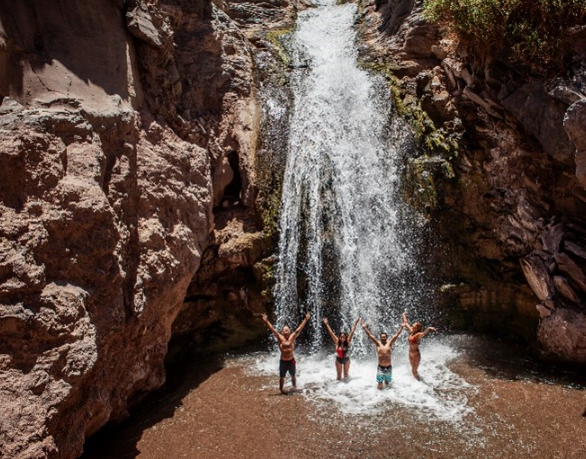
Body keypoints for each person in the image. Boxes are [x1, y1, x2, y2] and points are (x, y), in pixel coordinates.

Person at [261, 312, 311, 394]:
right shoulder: (280, 338)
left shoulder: (292, 337)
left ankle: (294, 387)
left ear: (290, 331)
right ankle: (281, 389)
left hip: (291, 360)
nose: (286, 331)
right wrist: (266, 321)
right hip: (283, 361)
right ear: (282, 331)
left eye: (287, 330)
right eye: (285, 330)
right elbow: (273, 330)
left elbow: (299, 329)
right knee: (282, 376)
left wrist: (305, 319)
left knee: (293, 375)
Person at [361, 320, 404, 389]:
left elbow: (396, 335)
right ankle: (378, 395)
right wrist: (365, 328)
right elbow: (370, 336)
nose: (383, 338)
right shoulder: (378, 344)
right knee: (380, 383)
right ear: (380, 338)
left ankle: (386, 396)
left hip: (389, 367)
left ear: (386, 337)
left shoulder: (389, 344)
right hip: (380, 367)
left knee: (387, 383)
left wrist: (401, 327)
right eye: (382, 337)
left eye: (384, 337)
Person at [402, 312, 436, 380]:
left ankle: (419, 383)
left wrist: (429, 328)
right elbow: (405, 323)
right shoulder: (411, 331)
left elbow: (424, 333)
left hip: (416, 355)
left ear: (417, 328)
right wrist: (403, 315)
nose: (412, 325)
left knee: (413, 371)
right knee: (413, 369)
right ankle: (417, 378)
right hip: (410, 353)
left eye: (414, 325)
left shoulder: (418, 335)